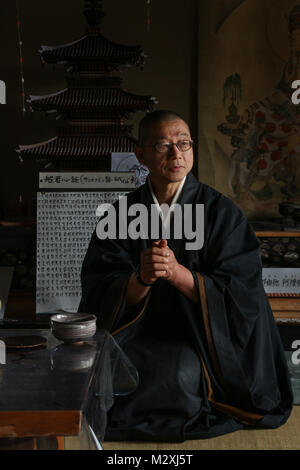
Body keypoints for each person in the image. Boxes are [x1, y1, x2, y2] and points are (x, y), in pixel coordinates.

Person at [79, 110, 293, 442]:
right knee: (110, 375)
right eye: (164, 145)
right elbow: (99, 290)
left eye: (184, 143)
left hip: (204, 339)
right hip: (138, 333)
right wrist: (141, 280)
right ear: (141, 154)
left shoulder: (222, 214)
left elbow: (242, 293)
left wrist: (179, 275)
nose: (176, 154)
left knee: (179, 374)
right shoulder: (119, 215)